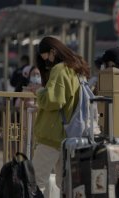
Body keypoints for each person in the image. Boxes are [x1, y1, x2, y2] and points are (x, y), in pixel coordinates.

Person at [29, 36, 90, 192]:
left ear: (53, 52)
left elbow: (53, 100)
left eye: (47, 59)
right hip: (68, 135)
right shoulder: (75, 68)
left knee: (34, 181)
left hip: (52, 135)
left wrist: (39, 91)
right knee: (65, 183)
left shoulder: (60, 69)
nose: (47, 63)